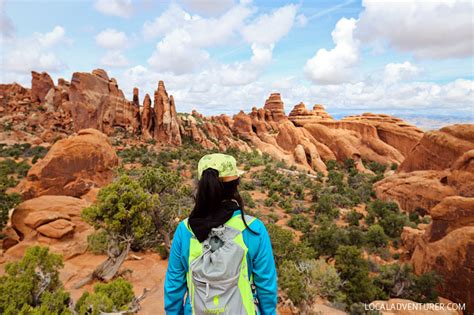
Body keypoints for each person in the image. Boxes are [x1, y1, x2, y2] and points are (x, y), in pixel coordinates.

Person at [164, 153, 277, 315]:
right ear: (235, 185)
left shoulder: (185, 230)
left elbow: (174, 285)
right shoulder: (254, 229)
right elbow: (266, 287)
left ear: (201, 185)